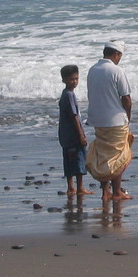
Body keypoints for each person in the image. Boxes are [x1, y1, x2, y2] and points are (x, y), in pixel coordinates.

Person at [85, 40, 133, 201]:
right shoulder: (116, 71)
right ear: (116, 54)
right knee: (118, 156)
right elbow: (126, 98)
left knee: (104, 156)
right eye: (120, 56)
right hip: (116, 120)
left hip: (98, 119)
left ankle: (105, 191)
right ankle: (117, 191)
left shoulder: (92, 70)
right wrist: (128, 116)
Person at [57, 64, 91, 196]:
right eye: (71, 79)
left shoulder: (65, 94)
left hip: (65, 135)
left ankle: (71, 187)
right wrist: (81, 135)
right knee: (78, 160)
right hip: (73, 135)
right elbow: (74, 116)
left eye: (76, 79)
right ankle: (80, 187)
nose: (74, 82)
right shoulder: (69, 95)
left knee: (68, 160)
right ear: (64, 80)